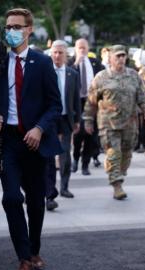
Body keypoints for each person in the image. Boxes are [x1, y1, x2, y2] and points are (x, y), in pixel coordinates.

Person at [0, 7, 63, 270]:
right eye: (8, 26)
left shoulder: (42, 62)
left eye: (17, 26)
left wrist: (39, 128)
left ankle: (34, 251)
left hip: (35, 143)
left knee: (36, 201)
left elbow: (55, 105)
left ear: (29, 30)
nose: (12, 31)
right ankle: (24, 259)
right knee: (11, 198)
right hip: (8, 142)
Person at [83, 45, 145, 200]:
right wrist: (88, 120)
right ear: (111, 58)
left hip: (130, 123)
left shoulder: (133, 76)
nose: (121, 59)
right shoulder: (101, 77)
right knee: (114, 153)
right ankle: (116, 185)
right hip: (109, 123)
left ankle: (119, 174)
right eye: (118, 56)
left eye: (123, 56)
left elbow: (142, 97)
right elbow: (91, 102)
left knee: (127, 153)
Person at [45, 40, 81, 211]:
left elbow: (76, 100)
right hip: (49, 120)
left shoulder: (72, 74)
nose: (57, 55)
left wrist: (77, 120)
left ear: (66, 54)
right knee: (49, 157)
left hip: (66, 119)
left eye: (61, 52)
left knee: (65, 154)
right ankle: (49, 192)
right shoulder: (44, 72)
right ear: (51, 53)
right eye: (55, 52)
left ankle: (64, 187)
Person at [69, 38, 104, 175]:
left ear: (88, 48)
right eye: (79, 48)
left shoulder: (95, 63)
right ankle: (75, 159)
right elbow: (67, 76)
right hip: (77, 103)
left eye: (84, 48)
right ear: (75, 49)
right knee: (78, 134)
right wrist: (77, 63)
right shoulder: (71, 63)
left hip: (92, 102)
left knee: (90, 134)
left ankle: (85, 164)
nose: (82, 50)